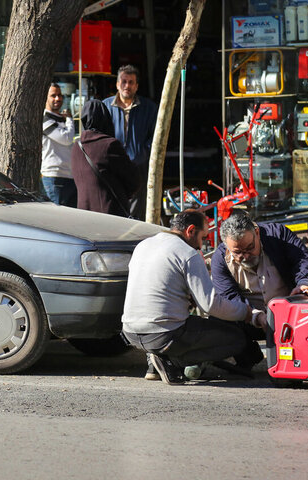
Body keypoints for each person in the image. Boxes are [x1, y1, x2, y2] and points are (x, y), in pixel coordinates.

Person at [122, 210, 266, 385]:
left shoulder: (144, 245)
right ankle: (172, 361)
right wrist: (247, 313)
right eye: (203, 237)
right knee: (236, 339)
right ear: (190, 230)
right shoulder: (187, 253)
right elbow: (211, 305)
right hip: (164, 333)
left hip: (130, 332)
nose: (201, 245)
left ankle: (155, 361)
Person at [211, 211, 308, 314]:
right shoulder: (220, 260)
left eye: (250, 247)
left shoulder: (278, 235)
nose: (246, 256)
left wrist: (303, 283)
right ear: (227, 246)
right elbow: (229, 297)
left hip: (290, 310)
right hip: (248, 321)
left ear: (257, 233)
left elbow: (302, 259)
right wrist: (254, 316)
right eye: (238, 252)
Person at [103, 65, 157, 220]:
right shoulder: (106, 106)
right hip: (113, 165)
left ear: (137, 86)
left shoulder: (149, 108)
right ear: (117, 84)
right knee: (113, 206)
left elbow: (155, 136)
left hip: (137, 164)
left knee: (136, 208)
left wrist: (144, 152)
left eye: (131, 82)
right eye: (124, 81)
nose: (127, 86)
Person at [71, 99, 140, 217]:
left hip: (83, 215)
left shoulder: (76, 147)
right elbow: (133, 180)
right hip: (109, 213)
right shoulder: (109, 145)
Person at [40, 83, 76, 207]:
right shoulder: (44, 120)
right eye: (53, 95)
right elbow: (67, 138)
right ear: (45, 98)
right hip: (54, 177)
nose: (57, 98)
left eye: (60, 95)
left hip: (69, 177)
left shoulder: (62, 118)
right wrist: (70, 120)